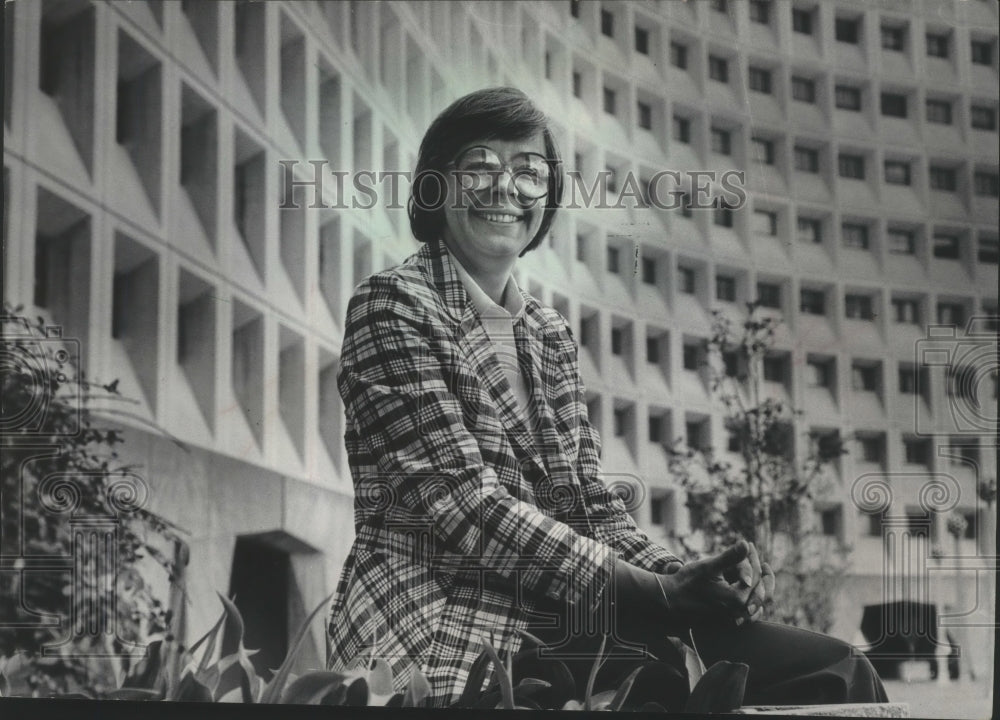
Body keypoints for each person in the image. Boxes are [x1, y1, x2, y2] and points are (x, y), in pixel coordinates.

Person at [326, 86, 888, 708]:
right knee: (697, 685)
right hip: (442, 621)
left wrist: (686, 577)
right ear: (436, 186)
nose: (505, 188)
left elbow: (590, 506)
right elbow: (465, 506)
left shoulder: (547, 333)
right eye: (479, 167)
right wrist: (659, 595)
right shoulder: (392, 306)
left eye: (528, 172)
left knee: (835, 669)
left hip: (562, 618)